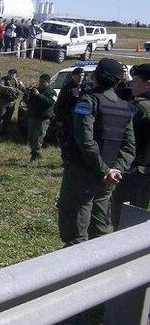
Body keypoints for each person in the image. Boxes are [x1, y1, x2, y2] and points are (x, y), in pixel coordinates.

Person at [57, 58, 135, 246]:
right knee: (100, 229)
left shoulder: (88, 101)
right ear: (118, 81)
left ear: (96, 76)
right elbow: (129, 147)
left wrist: (104, 170)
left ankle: (75, 272)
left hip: (83, 173)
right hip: (108, 177)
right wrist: (115, 170)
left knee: (75, 230)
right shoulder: (125, 107)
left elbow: (85, 141)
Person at [111, 63, 150, 224]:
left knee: (122, 217)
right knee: (139, 212)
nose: (132, 84)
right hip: (146, 168)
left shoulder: (140, 107)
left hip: (135, 168)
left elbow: (120, 131)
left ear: (148, 84)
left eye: (135, 81)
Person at [54, 67, 86, 161]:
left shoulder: (85, 87)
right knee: (67, 140)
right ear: (73, 76)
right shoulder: (67, 88)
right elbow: (59, 104)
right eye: (79, 75)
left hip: (81, 118)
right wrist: (60, 119)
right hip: (68, 118)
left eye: (82, 75)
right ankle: (66, 159)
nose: (81, 77)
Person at [26, 74, 57, 164]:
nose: (40, 84)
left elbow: (50, 102)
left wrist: (39, 95)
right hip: (33, 116)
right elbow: (29, 101)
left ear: (48, 82)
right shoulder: (36, 90)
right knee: (31, 136)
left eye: (43, 82)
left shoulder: (52, 92)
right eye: (40, 81)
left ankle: (36, 155)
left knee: (38, 137)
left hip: (43, 118)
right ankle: (34, 152)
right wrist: (28, 93)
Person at [0, 69, 25, 137]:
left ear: (15, 74)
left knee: (8, 118)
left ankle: (3, 132)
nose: (11, 75)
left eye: (13, 74)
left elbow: (23, 89)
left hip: (13, 101)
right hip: (4, 101)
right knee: (0, 116)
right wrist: (8, 88)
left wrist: (23, 87)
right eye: (10, 74)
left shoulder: (17, 81)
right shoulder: (4, 79)